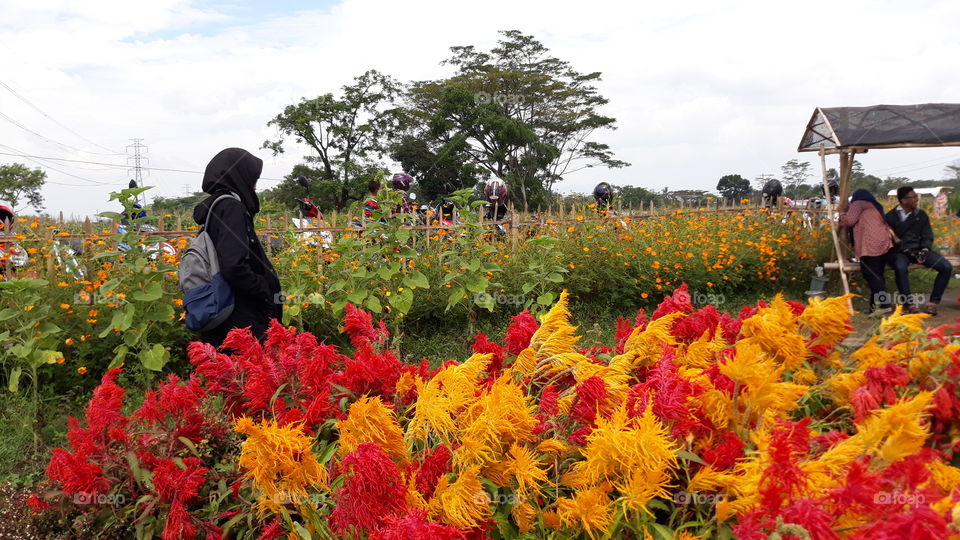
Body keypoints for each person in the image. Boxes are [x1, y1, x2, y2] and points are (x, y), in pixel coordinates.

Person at [192, 148, 281, 346]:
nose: (254, 186)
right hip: (241, 315)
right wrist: (263, 288)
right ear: (239, 176)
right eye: (253, 179)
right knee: (252, 371)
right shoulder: (231, 208)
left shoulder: (215, 207)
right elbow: (233, 265)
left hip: (225, 311)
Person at [885, 186, 953, 315]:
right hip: (899, 252)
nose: (917, 199)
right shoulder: (890, 217)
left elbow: (927, 235)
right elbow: (888, 238)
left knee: (946, 267)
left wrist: (925, 249)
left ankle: (933, 303)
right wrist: (902, 249)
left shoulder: (921, 215)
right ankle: (908, 304)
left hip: (919, 250)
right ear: (903, 200)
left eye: (916, 197)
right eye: (914, 197)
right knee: (900, 268)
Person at [838, 189, 895, 316]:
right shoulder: (874, 205)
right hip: (883, 242)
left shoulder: (859, 204)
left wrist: (842, 213)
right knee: (878, 275)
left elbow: (849, 221)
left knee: (871, 275)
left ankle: (884, 305)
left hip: (870, 244)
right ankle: (875, 307)